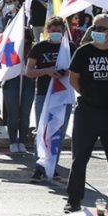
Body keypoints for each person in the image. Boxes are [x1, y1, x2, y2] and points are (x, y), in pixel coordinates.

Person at [65, 14, 108, 215]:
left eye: (102, 28)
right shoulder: (83, 52)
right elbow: (74, 79)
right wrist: (90, 95)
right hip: (87, 112)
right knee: (79, 158)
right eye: (95, 27)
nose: (97, 31)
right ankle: (74, 199)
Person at [26, 17, 72, 181]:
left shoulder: (70, 48)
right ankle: (39, 167)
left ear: (63, 31)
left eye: (58, 31)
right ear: (47, 30)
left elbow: (79, 71)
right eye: (52, 31)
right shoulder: (39, 47)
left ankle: (53, 166)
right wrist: (46, 71)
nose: (55, 34)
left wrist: (68, 73)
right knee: (43, 130)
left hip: (63, 94)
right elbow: (29, 71)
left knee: (58, 131)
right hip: (44, 94)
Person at [3, 29, 36, 153]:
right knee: (13, 113)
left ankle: (22, 141)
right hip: (11, 80)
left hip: (27, 81)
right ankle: (13, 141)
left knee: (25, 113)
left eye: (26, 38)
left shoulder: (33, 49)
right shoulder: (9, 47)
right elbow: (5, 63)